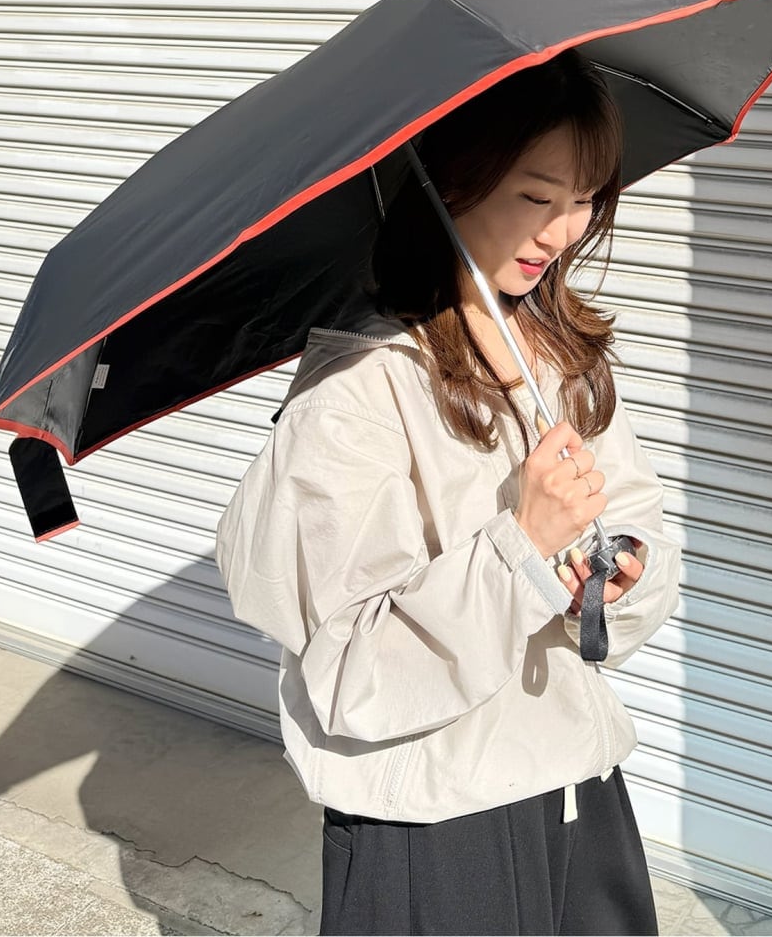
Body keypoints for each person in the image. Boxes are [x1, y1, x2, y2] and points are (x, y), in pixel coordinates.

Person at [215, 48, 683, 936]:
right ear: (453, 182)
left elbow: (638, 523)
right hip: (434, 815)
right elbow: (350, 670)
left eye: (586, 198)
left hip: (574, 780)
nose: (563, 232)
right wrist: (522, 548)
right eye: (535, 197)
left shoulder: (565, 360)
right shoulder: (358, 389)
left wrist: (615, 574)